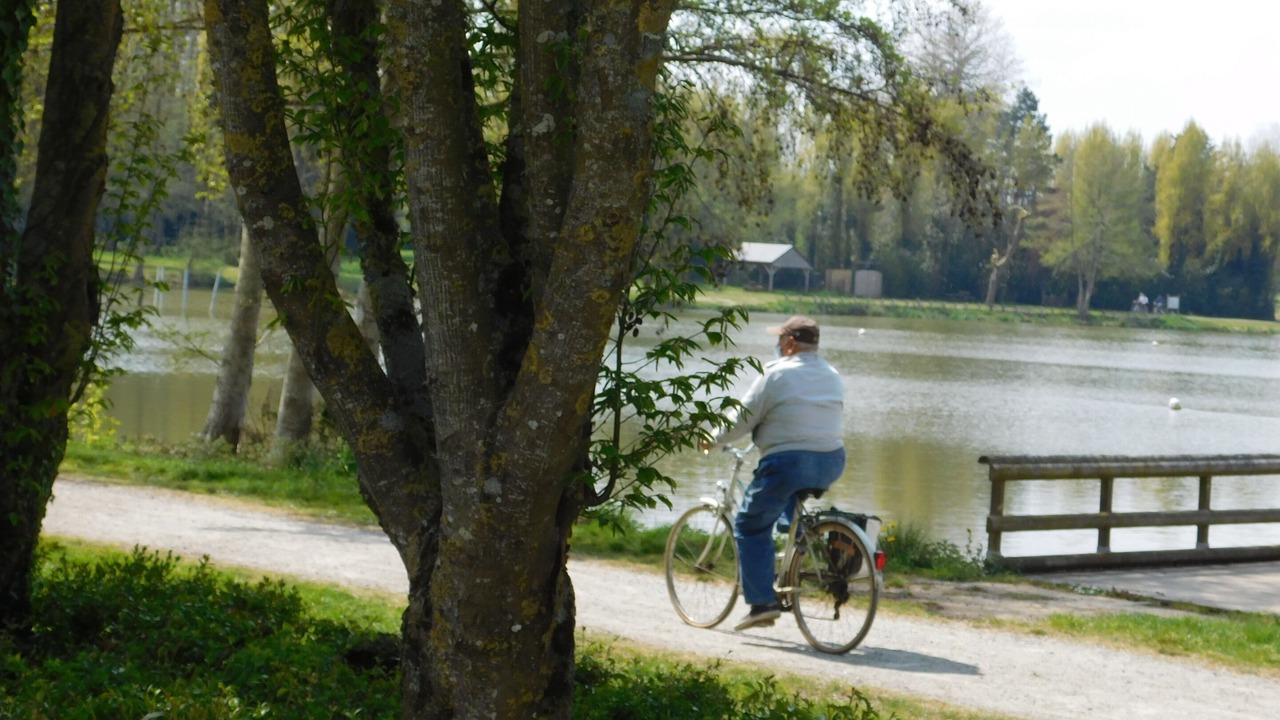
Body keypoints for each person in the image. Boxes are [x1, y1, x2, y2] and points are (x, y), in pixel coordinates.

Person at [701, 316, 846, 631]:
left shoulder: (776, 374)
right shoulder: (832, 374)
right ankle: (793, 542)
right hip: (832, 460)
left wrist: (712, 438)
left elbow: (742, 418)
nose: (777, 346)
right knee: (784, 495)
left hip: (788, 462)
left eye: (780, 340)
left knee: (749, 525)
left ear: (790, 343)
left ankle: (762, 604)